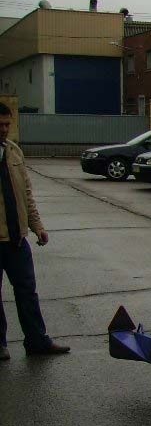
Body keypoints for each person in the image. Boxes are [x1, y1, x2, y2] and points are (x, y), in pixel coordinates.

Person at [0, 102, 70, 359]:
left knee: (27, 291)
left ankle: (37, 341)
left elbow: (26, 196)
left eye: (7, 124)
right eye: (0, 125)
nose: (4, 130)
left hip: (16, 239)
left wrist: (37, 226)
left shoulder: (14, 152)